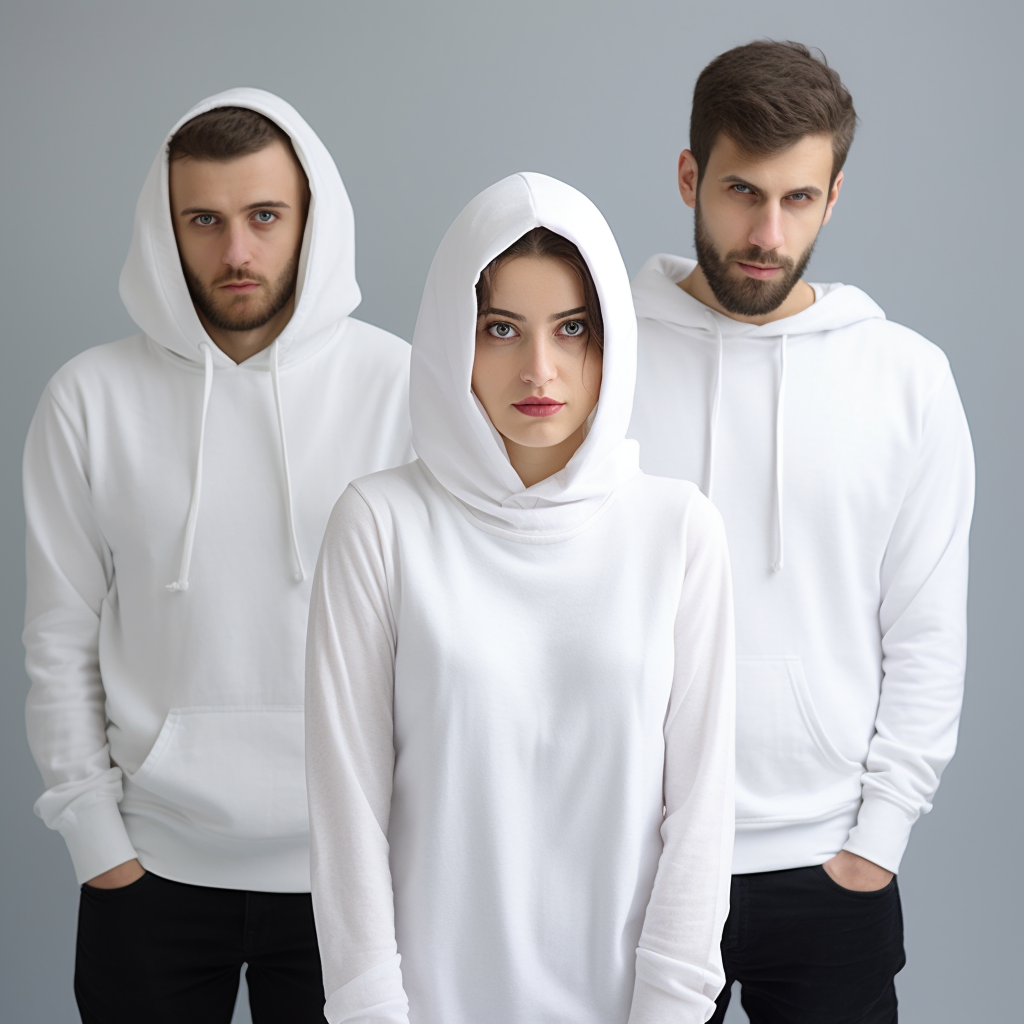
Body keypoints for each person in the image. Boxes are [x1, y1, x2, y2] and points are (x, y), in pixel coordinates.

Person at [305, 172, 736, 1024]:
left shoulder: (678, 529)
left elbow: (700, 815)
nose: (539, 369)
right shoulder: (379, 524)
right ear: (450, 337)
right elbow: (347, 815)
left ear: (610, 339)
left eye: (571, 329)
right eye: (501, 329)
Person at [23, 88, 412, 1022]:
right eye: (204, 220)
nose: (236, 252)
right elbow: (58, 633)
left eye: (264, 216)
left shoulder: (401, 386)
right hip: (151, 868)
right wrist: (96, 842)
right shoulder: (88, 399)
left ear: (310, 218)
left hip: (351, 877)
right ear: (166, 229)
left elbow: (440, 631)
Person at [628, 41, 975, 1023]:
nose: (765, 233)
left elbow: (925, 627)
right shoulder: (597, 355)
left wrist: (878, 840)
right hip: (635, 857)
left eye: (798, 199)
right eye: (741, 191)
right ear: (690, 175)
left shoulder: (904, 379)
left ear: (834, 197)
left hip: (827, 865)